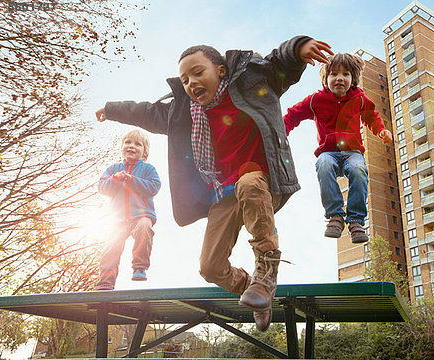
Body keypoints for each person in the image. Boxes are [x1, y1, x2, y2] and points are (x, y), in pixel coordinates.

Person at [95, 36, 332, 331]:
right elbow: (146, 112)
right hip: (224, 193)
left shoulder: (251, 80)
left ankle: (266, 272)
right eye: (184, 79)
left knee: (249, 182)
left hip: (263, 180)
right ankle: (255, 289)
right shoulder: (183, 112)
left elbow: (279, 64)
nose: (191, 82)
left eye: (198, 72)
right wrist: (112, 108)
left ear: (220, 71)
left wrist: (297, 49)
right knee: (209, 267)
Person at [283, 53, 392, 244]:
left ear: (353, 80)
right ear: (326, 79)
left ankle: (356, 220)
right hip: (329, 152)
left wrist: (381, 130)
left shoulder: (359, 99)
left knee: (359, 171)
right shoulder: (316, 100)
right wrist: (281, 132)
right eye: (334, 74)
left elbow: (371, 116)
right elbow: (293, 114)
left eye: (346, 74)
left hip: (352, 153)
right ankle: (335, 216)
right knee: (323, 164)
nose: (339, 78)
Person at [96, 129, 161, 290]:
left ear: (144, 152)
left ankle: (139, 267)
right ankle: (105, 284)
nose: (132, 146)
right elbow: (102, 188)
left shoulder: (148, 169)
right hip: (117, 219)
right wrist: (115, 179)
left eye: (137, 144)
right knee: (111, 248)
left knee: (145, 228)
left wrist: (132, 180)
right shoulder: (113, 169)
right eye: (128, 142)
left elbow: (154, 187)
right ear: (122, 147)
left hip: (141, 215)